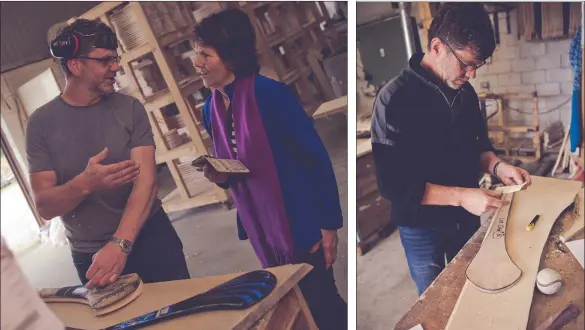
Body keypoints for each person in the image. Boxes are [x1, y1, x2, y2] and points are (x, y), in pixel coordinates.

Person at [190, 9, 347, 329]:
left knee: (322, 302)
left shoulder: (270, 95)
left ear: (231, 58)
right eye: (196, 53)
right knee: (292, 300)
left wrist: (328, 225)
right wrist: (221, 177)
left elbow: (315, 160)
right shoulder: (212, 108)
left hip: (300, 224)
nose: (196, 62)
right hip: (262, 227)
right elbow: (236, 167)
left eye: (205, 53)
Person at [371, 3, 533, 296]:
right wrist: (461, 197)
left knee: (472, 288)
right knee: (435, 299)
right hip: (421, 227)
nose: (472, 75)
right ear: (437, 46)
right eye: (466, 63)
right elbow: (394, 186)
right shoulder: (393, 101)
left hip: (465, 215)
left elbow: (479, 147)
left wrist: (499, 167)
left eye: (477, 65)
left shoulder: (464, 93)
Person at [25, 19, 190, 289]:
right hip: (92, 256)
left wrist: (120, 244)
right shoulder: (41, 124)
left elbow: (146, 183)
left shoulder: (129, 108)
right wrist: (85, 184)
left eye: (116, 58)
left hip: (151, 238)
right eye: (105, 61)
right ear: (75, 65)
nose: (116, 67)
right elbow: (45, 206)